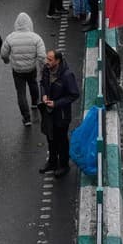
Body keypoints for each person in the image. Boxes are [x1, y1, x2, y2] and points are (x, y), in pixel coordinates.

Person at [39, 49, 81, 178]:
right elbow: (42, 84)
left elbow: (74, 94)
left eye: (50, 59)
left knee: (61, 140)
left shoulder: (67, 75)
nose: (47, 61)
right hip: (48, 112)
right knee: (50, 137)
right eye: (47, 58)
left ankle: (63, 165)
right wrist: (44, 95)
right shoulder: (46, 70)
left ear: (58, 61)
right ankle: (52, 162)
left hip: (61, 114)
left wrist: (56, 103)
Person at [1, 12, 46, 126]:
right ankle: (35, 102)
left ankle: (26, 118)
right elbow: (42, 56)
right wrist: (41, 68)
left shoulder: (10, 37)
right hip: (31, 68)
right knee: (33, 84)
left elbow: (4, 54)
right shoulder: (36, 38)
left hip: (17, 70)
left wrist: (7, 61)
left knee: (21, 93)